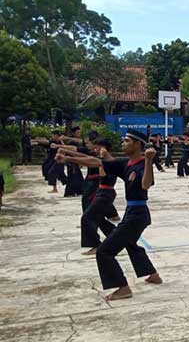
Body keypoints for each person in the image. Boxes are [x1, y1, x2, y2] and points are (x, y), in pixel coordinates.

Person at [55, 129, 162, 301]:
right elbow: (96, 162)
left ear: (137, 144)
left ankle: (123, 288)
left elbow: (146, 185)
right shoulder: (126, 164)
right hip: (132, 213)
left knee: (104, 251)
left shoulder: (142, 164)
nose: (123, 143)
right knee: (130, 244)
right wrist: (68, 158)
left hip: (138, 214)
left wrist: (149, 161)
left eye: (127, 141)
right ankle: (152, 274)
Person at [58, 138, 120, 255]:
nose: (95, 150)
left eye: (97, 147)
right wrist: (67, 155)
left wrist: (68, 157)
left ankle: (96, 244)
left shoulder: (109, 161)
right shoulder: (101, 159)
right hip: (101, 191)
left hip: (103, 193)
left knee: (87, 217)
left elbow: (91, 161)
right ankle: (118, 236)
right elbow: (84, 157)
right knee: (98, 218)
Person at [61, 126, 85, 197]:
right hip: (72, 162)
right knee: (73, 177)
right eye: (77, 132)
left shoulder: (75, 141)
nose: (79, 134)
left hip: (73, 161)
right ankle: (71, 192)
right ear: (73, 133)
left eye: (79, 132)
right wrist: (79, 161)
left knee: (76, 177)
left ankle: (76, 191)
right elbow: (72, 152)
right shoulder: (72, 142)